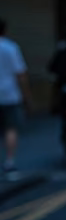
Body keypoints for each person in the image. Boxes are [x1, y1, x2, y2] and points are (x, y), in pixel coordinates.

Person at [0, 18, 30, 176]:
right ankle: (9, 161)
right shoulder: (11, 48)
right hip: (9, 94)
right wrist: (26, 95)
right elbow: (20, 74)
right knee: (10, 128)